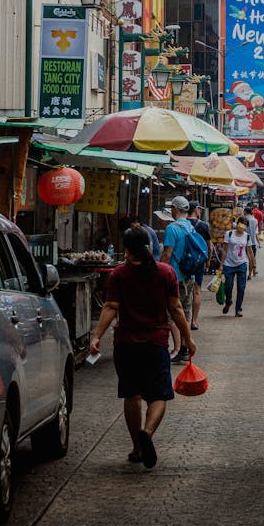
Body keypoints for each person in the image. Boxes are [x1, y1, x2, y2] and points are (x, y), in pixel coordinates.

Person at [89, 226, 195, 470]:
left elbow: (110, 307)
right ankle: (147, 432)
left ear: (126, 250)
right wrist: (188, 339)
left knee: (132, 395)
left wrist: (97, 337)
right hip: (156, 343)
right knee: (158, 395)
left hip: (126, 344)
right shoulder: (166, 272)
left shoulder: (118, 275)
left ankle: (137, 446)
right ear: (148, 245)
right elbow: (176, 309)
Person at [160, 196, 197, 363]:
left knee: (173, 312)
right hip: (189, 274)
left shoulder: (172, 228)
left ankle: (176, 349)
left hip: (174, 275)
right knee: (186, 313)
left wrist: (157, 271)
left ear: (175, 208)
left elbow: (167, 254)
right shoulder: (191, 226)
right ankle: (184, 347)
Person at [221, 215, 253, 317]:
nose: (242, 226)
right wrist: (221, 265)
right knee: (228, 286)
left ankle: (238, 309)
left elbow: (249, 251)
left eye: (245, 225)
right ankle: (228, 301)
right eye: (241, 223)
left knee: (241, 288)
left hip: (242, 264)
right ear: (237, 223)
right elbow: (225, 250)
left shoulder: (247, 236)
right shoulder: (229, 234)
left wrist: (253, 265)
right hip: (228, 265)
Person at [188, 201, 212, 331]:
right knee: (196, 291)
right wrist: (208, 261)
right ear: (196, 210)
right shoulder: (203, 225)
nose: (200, 211)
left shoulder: (181, 224)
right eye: (199, 209)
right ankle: (194, 321)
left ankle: (184, 319)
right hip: (198, 263)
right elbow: (209, 246)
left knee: (183, 290)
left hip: (183, 263)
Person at [243, 205, 260, 277]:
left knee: (248, 258)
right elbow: (256, 232)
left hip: (245, 241)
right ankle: (252, 272)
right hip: (253, 242)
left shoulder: (243, 220)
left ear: (246, 212)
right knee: (252, 258)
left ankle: (250, 273)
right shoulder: (255, 220)